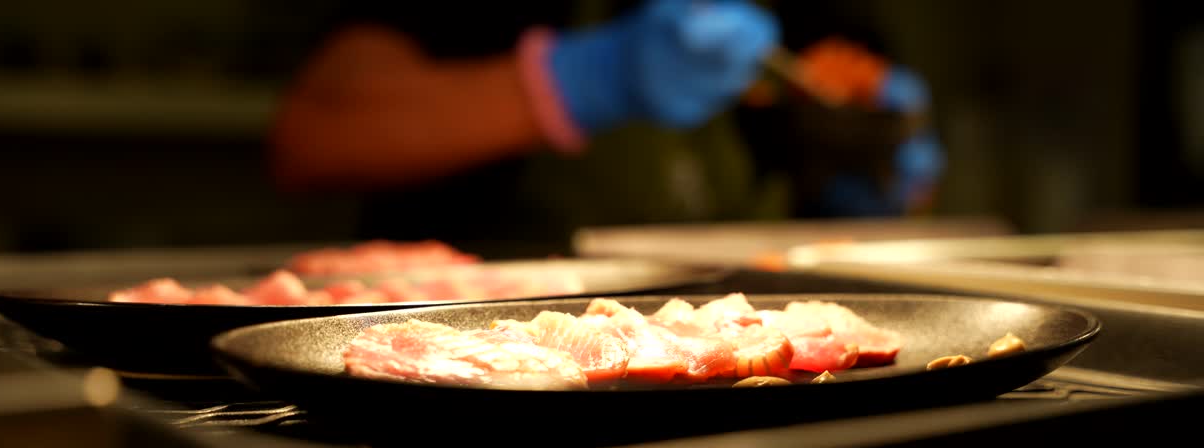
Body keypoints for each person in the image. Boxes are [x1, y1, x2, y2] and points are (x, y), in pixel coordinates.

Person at [267, 0, 944, 258]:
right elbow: (314, 137)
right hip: (488, 376)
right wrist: (579, 79)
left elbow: (902, 201)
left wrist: (882, 172)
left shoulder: (814, 18)